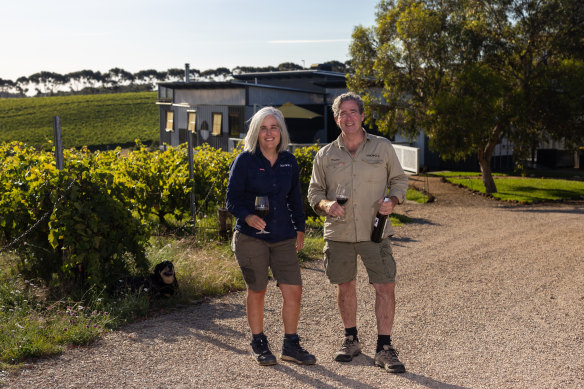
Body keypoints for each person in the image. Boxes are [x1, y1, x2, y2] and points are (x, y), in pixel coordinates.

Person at [307, 92, 408, 374]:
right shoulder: (325, 155)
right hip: (338, 233)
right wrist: (326, 205)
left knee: (385, 285)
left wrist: (393, 200)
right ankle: (351, 340)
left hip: (375, 231)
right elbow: (314, 192)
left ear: (363, 116)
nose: (348, 117)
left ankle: (384, 347)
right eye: (342, 112)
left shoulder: (382, 147)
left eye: (353, 112)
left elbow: (399, 180)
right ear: (336, 118)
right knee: (345, 285)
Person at [226, 106, 316, 366]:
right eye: (263, 128)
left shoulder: (289, 160)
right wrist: (248, 216)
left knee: (294, 290)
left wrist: (300, 227)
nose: (269, 133)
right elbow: (231, 199)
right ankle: (259, 342)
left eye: (273, 127)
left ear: (281, 131)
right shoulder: (245, 160)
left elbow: (295, 199)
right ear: (256, 132)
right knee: (258, 289)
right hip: (251, 237)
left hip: (283, 235)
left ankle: (290, 345)